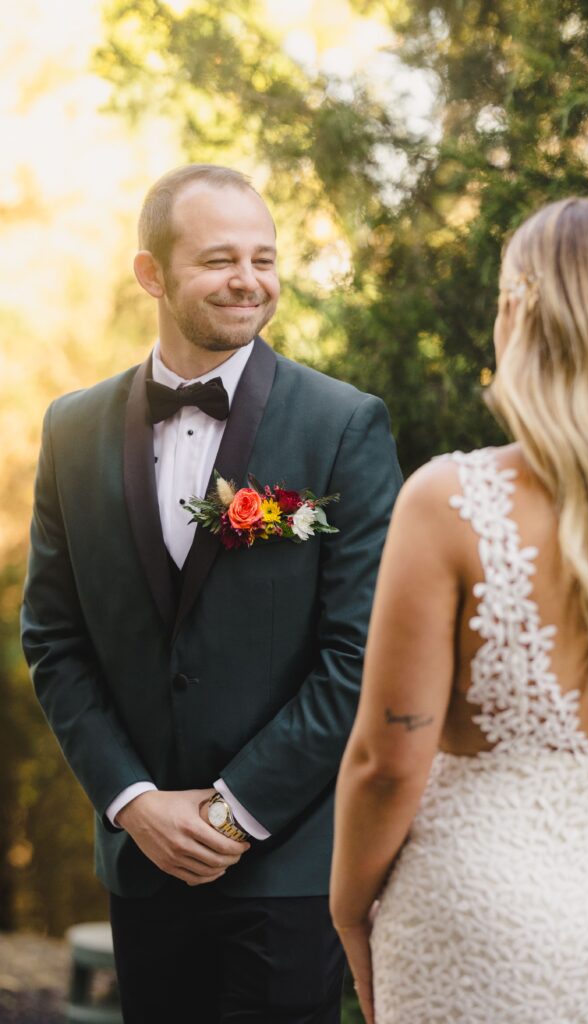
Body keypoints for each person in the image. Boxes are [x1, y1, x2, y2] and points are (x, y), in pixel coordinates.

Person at [21, 163, 402, 1024]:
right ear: (150, 274)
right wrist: (132, 801)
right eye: (219, 259)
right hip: (143, 862)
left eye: (263, 259)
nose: (249, 281)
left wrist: (235, 813)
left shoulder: (343, 425)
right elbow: (54, 636)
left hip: (286, 864)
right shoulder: (70, 429)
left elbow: (363, 651)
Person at [330, 197, 588, 1024]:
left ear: (516, 311)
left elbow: (388, 761)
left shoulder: (452, 500)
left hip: (480, 916)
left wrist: (347, 908)